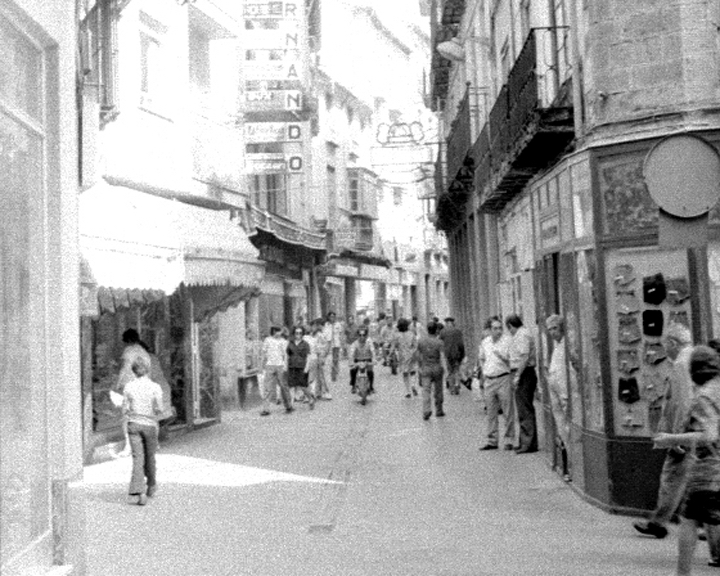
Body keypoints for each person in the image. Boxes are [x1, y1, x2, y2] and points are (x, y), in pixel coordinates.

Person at [654, 345, 720, 575]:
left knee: (689, 519)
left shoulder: (703, 396)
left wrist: (672, 438)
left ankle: (682, 573)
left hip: (709, 471)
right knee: (712, 517)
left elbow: (708, 435)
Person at [634, 323, 694, 537]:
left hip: (683, 434)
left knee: (671, 478)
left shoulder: (680, 364)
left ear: (672, 343)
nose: (663, 349)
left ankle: (658, 522)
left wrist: (675, 437)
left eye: (664, 344)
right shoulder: (692, 358)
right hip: (694, 433)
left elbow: (681, 403)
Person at [122, 356, 163, 506]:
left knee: (137, 458)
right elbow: (159, 408)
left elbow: (125, 408)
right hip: (149, 425)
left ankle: (139, 491)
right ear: (147, 369)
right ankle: (151, 485)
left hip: (133, 425)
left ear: (134, 371)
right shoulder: (155, 387)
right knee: (150, 457)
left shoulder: (128, 387)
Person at [112, 329, 153, 458]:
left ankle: (129, 446)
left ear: (127, 340)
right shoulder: (144, 351)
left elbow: (125, 369)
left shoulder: (129, 351)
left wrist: (116, 384)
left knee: (127, 418)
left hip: (131, 387)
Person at [478, 316, 514, 450]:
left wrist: (503, 358)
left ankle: (509, 439)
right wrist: (483, 370)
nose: (498, 331)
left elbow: (512, 361)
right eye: (495, 328)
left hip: (503, 377)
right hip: (489, 380)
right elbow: (481, 358)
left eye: (500, 328)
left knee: (507, 410)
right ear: (490, 330)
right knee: (491, 411)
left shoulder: (507, 341)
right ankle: (492, 440)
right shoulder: (485, 342)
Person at [506, 314, 538, 454]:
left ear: (511, 326)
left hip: (525, 373)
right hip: (523, 373)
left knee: (525, 409)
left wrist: (518, 375)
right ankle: (524, 440)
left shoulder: (522, 335)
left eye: (509, 329)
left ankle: (528, 443)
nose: (510, 332)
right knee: (522, 408)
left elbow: (524, 357)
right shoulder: (520, 334)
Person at [545, 314, 571, 480]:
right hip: (555, 391)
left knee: (567, 429)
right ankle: (566, 465)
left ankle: (571, 466)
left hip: (565, 393)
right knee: (562, 429)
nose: (552, 332)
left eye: (555, 328)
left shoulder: (567, 345)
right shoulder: (557, 346)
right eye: (550, 330)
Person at [414, 321, 447, 420]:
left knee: (426, 390)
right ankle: (439, 410)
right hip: (437, 367)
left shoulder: (421, 341)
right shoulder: (439, 342)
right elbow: (442, 357)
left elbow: (417, 355)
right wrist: (444, 368)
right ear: (436, 330)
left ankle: (426, 410)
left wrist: (419, 367)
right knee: (438, 390)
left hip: (426, 368)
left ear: (427, 329)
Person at [260, 326, 292, 415]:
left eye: (280, 332)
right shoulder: (267, 340)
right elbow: (263, 353)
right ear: (274, 331)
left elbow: (285, 355)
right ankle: (266, 409)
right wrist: (261, 365)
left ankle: (288, 405)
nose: (280, 333)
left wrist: (285, 365)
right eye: (278, 331)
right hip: (269, 365)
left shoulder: (283, 341)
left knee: (283, 386)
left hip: (280, 365)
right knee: (267, 388)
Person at [286, 326, 314, 409]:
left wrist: (307, 367)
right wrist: (285, 366)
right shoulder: (290, 343)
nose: (298, 334)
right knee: (291, 386)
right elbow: (287, 355)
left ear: (302, 334)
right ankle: (291, 404)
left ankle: (310, 398)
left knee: (303, 386)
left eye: (300, 333)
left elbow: (309, 356)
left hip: (302, 367)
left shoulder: (305, 344)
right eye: (296, 333)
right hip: (292, 367)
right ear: (294, 333)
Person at [393, 318, 419, 398]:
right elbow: (415, 345)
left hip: (402, 356)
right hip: (412, 355)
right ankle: (413, 385)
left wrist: (390, 354)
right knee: (413, 371)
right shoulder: (411, 334)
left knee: (405, 374)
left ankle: (407, 392)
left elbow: (394, 346)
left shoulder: (397, 335)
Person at [439, 316, 465, 395]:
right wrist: (463, 354)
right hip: (457, 353)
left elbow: (440, 343)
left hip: (448, 354)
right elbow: (461, 343)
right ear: (453, 322)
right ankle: (457, 384)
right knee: (456, 369)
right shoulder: (458, 331)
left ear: (446, 323)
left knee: (450, 371)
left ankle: (452, 388)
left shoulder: (442, 332)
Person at [349, 326, 375, 394]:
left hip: (367, 360)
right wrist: (351, 362)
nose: (362, 337)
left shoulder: (369, 342)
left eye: (363, 335)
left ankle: (371, 387)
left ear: (366, 335)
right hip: (357, 360)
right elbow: (351, 353)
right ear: (358, 335)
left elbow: (373, 351)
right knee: (352, 371)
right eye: (360, 335)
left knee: (370, 372)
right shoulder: (355, 343)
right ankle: (353, 386)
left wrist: (374, 360)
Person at [312, 318, 331, 400]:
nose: (315, 326)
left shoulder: (326, 332)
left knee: (324, 375)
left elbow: (328, 345)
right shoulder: (317, 333)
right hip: (317, 354)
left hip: (323, 355)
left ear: (320, 325)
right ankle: (318, 392)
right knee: (318, 374)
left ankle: (326, 392)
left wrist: (324, 356)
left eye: (316, 325)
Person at [323, 311, 343, 383]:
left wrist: (341, 344)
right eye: (331, 316)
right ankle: (331, 373)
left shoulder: (338, 324)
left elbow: (340, 334)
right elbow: (324, 334)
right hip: (329, 344)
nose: (332, 318)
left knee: (335, 360)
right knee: (329, 360)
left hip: (336, 344)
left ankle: (334, 375)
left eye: (333, 316)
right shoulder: (326, 324)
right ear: (328, 317)